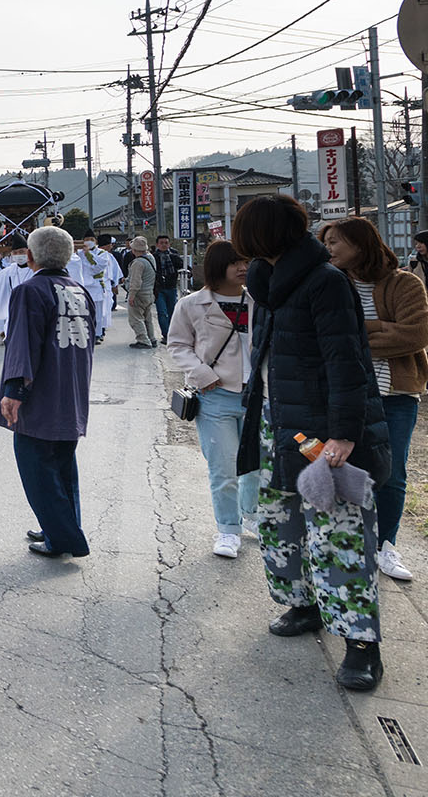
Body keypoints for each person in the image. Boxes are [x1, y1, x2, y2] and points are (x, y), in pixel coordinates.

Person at [233, 194, 390, 691]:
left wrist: (345, 433)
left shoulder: (325, 282)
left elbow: (346, 364)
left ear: (262, 236)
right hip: (278, 427)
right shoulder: (269, 283)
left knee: (339, 532)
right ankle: (302, 604)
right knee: (282, 522)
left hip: (321, 433)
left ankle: (362, 645)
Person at [321, 216, 428, 584]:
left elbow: (415, 334)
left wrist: (355, 335)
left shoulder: (405, 283)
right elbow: (322, 336)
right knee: (344, 470)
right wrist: (384, 327)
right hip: (345, 394)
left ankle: (386, 545)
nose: (329, 249)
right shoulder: (328, 283)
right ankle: (352, 541)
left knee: (392, 471)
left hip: (397, 392)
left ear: (360, 243)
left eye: (335, 241)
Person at [0, 225, 96, 560]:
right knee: (63, 469)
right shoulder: (79, 289)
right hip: (72, 392)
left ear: (29, 256)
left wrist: (13, 391)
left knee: (38, 470)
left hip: (41, 394)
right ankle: (59, 526)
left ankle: (63, 539)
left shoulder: (30, 290)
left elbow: (23, 345)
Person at [168, 240, 258, 558]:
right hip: (215, 395)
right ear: (217, 266)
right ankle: (227, 529)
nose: (242, 267)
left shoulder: (259, 300)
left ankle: (251, 515)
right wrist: (202, 374)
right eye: (235, 262)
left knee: (256, 466)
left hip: (257, 395)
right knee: (223, 468)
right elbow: (177, 345)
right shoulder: (192, 304)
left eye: (246, 260)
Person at [68, 234, 122, 344]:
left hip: (96, 286)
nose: (89, 242)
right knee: (84, 312)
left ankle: (98, 334)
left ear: (95, 241)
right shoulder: (78, 254)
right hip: (83, 286)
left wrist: (87, 253)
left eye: (91, 240)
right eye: (86, 240)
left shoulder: (103, 254)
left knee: (99, 312)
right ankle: (86, 333)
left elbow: (98, 267)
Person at [125, 236, 158, 348]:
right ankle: (152, 338)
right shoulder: (150, 258)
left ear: (134, 250)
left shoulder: (138, 263)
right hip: (149, 292)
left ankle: (143, 340)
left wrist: (131, 295)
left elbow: (136, 282)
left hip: (139, 294)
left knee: (135, 318)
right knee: (147, 318)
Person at [153, 234, 184, 341]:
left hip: (171, 286)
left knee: (172, 311)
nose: (164, 245)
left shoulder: (174, 255)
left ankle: (172, 333)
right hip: (159, 288)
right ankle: (166, 335)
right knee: (162, 312)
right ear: (157, 244)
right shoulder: (153, 257)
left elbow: (183, 266)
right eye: (161, 243)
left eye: (166, 243)